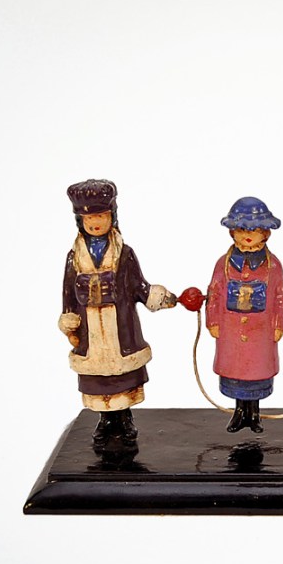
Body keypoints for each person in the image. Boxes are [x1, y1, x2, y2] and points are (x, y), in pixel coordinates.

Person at [58, 179, 177, 449]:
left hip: (120, 328)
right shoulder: (74, 258)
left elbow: (139, 286)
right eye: (89, 218)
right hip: (91, 329)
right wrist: (70, 322)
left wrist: (159, 297)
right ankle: (105, 420)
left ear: (112, 216)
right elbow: (68, 293)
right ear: (80, 220)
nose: (95, 223)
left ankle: (124, 419)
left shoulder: (125, 254)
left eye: (101, 216)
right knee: (98, 378)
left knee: (122, 377)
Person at [206, 197, 283, 433]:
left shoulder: (273, 266)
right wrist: (212, 320)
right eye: (242, 230)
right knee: (236, 373)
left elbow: (280, 296)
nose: (248, 236)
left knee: (256, 372)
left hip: (260, 332)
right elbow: (214, 293)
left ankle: (254, 414)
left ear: (265, 233)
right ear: (233, 232)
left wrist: (279, 325)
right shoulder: (223, 264)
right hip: (231, 330)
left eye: (254, 230)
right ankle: (239, 412)